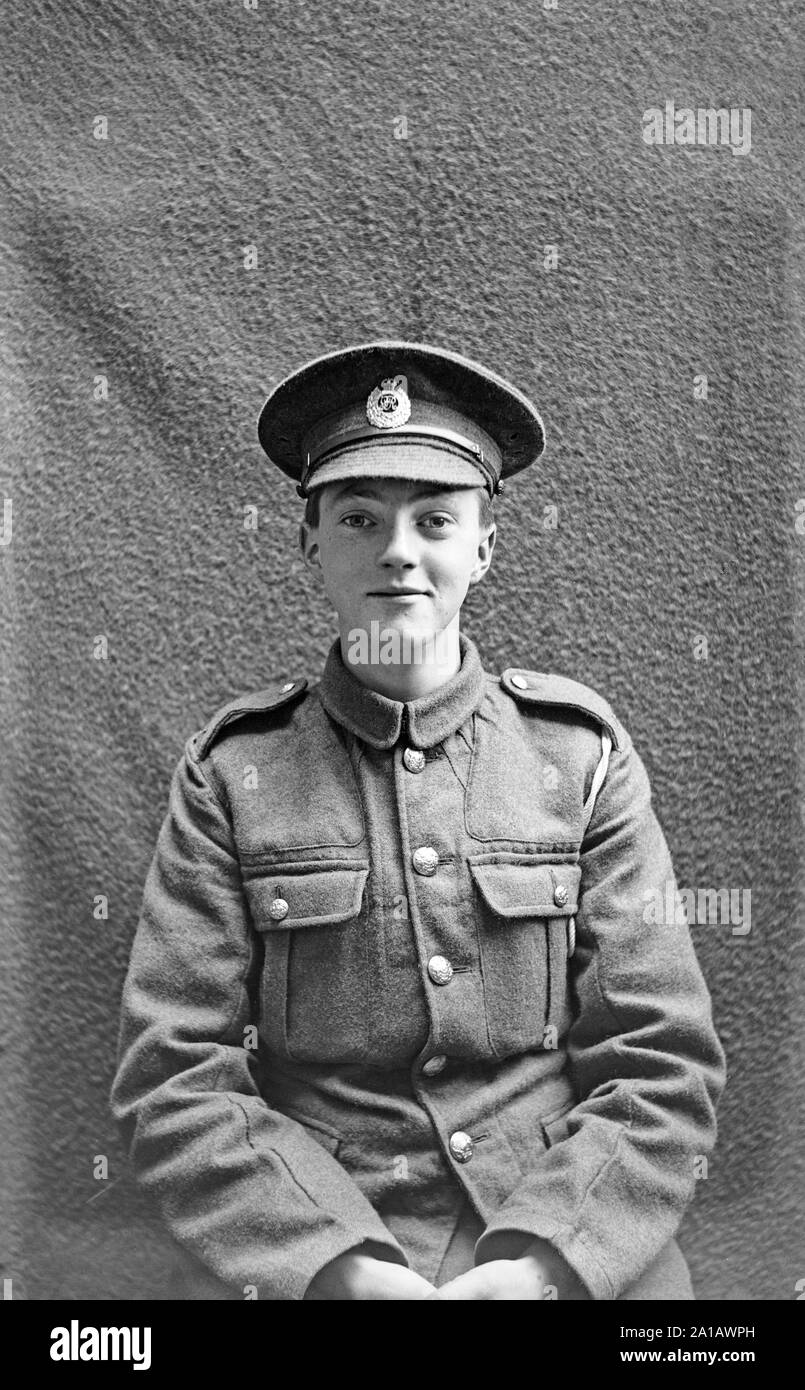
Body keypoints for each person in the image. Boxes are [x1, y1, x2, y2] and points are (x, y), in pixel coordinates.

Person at [110, 340, 726, 1300]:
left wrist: (545, 1265)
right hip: (315, 1220)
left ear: (483, 547)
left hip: (555, 1215)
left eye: (434, 519)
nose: (398, 549)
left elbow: (662, 1056)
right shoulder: (233, 773)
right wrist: (338, 1266)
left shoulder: (579, 755)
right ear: (308, 542)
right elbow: (171, 1073)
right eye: (359, 518)